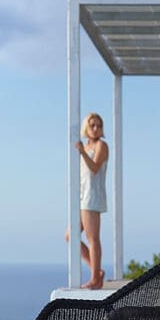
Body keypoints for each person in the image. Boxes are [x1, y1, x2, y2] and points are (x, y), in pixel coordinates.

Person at [64, 112, 109, 289]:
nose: (96, 128)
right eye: (93, 125)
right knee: (70, 235)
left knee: (92, 238)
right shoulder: (88, 146)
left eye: (99, 125)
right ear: (86, 127)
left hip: (93, 197)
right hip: (82, 197)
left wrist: (82, 152)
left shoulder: (101, 146)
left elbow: (95, 168)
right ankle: (96, 270)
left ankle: (95, 279)